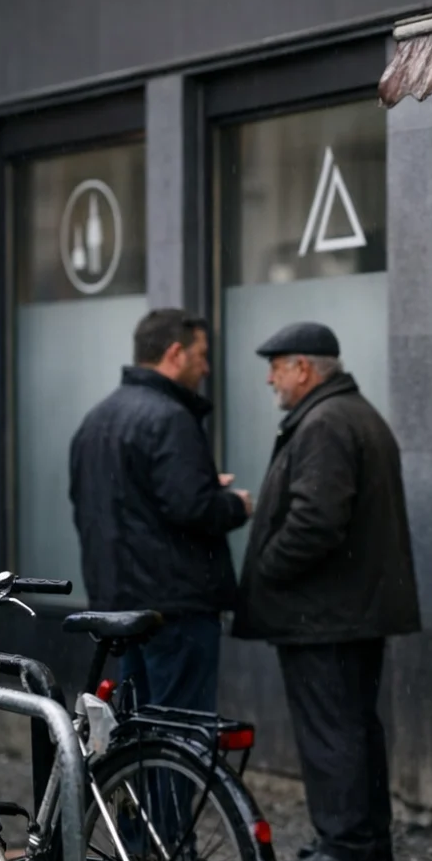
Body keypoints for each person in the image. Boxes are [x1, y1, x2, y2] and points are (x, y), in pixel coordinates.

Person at [234, 322, 421, 861]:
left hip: (325, 614)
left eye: (277, 366)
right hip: (347, 611)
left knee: (332, 730)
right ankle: (364, 842)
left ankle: (344, 844)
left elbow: (316, 521)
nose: (270, 378)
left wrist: (266, 568)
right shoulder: (348, 414)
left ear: (305, 369)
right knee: (353, 726)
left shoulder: (326, 423)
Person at [70, 308, 252, 720]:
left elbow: (118, 501)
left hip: (123, 607)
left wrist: (200, 486)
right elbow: (193, 508)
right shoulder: (170, 418)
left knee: (142, 735)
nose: (206, 368)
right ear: (175, 353)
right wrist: (236, 504)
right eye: (201, 355)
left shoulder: (97, 418)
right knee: (179, 736)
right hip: (175, 607)